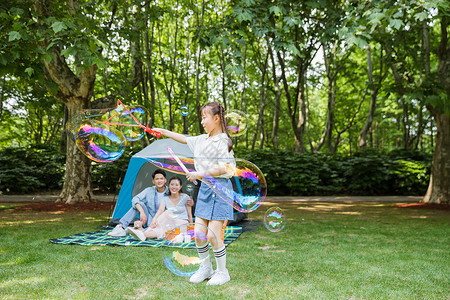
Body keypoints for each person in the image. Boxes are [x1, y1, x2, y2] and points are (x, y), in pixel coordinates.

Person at [152, 101, 235, 286]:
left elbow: (225, 167)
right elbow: (182, 138)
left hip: (220, 188)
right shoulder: (201, 139)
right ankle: (206, 268)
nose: (202, 121)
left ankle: (223, 272)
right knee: (198, 234)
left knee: (213, 235)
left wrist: (199, 174)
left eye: (205, 117)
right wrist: (162, 132)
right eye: (201, 117)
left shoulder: (223, 141)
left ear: (216, 118)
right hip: (205, 188)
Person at [126, 176, 193, 241]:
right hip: (170, 223)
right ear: (169, 186)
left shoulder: (185, 197)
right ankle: (144, 235)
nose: (174, 187)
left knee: (167, 213)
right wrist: (154, 220)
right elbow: (160, 210)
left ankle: (142, 232)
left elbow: (189, 215)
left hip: (181, 224)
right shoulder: (165, 199)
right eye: (172, 185)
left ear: (180, 187)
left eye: (176, 185)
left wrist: (191, 229)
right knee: (161, 228)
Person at [108, 169, 172, 236]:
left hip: (163, 222)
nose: (159, 181)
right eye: (157, 179)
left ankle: (137, 230)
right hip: (149, 219)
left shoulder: (170, 192)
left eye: (161, 179)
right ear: (153, 181)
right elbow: (135, 199)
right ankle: (121, 227)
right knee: (138, 204)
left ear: (165, 180)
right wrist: (142, 212)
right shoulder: (149, 190)